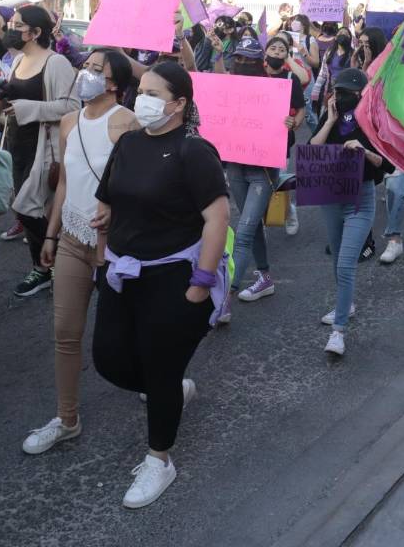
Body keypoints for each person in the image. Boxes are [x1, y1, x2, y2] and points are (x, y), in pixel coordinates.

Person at [90, 62, 229, 508]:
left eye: (153, 92)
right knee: (109, 359)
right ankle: (168, 391)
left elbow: (217, 217)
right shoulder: (128, 143)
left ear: (179, 103)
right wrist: (99, 254)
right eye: (140, 90)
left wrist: (201, 285)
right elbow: (106, 200)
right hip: (120, 272)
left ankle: (159, 459)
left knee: (161, 367)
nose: (140, 99)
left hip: (172, 278)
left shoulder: (194, 151)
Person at [22, 50, 138, 455]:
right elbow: (66, 185)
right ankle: (66, 418)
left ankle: (162, 384)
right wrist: (51, 236)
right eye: (84, 67)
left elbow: (139, 184)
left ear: (113, 82)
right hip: (71, 238)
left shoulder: (126, 121)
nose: (84, 74)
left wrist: (116, 214)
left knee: (128, 331)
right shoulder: (69, 122)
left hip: (115, 246)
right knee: (65, 334)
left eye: (94, 70)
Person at [310, 68, 391, 356]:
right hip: (330, 196)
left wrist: (365, 152)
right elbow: (312, 149)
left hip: (360, 199)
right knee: (336, 260)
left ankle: (339, 331)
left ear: (362, 95)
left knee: (346, 264)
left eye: (348, 93)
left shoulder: (372, 121)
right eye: (338, 91)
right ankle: (347, 304)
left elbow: (387, 164)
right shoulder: (331, 118)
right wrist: (330, 119)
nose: (341, 97)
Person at [2, 5, 80, 297]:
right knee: (27, 208)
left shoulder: (55, 62)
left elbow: (72, 106)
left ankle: (53, 263)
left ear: (35, 32)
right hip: (18, 143)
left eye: (18, 25)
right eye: (12, 23)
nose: (12, 29)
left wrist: (27, 109)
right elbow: (14, 100)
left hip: (44, 147)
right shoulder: (18, 60)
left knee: (27, 206)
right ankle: (45, 264)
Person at [221, 37, 303, 311]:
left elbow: (297, 114)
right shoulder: (229, 87)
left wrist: (291, 122)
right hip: (235, 166)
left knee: (243, 232)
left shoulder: (278, 87)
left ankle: (224, 299)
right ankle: (265, 277)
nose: (244, 64)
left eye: (250, 60)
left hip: (263, 172)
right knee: (251, 224)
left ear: (262, 62)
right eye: (239, 59)